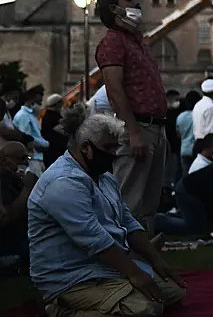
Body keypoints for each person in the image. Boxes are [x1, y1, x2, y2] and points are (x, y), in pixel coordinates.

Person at [28, 104, 185, 316]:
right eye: (109, 148)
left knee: (173, 293)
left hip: (105, 268)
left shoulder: (104, 177)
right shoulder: (63, 182)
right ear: (86, 147)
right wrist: (134, 272)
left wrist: (155, 260)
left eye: (116, 148)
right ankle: (60, 310)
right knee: (147, 309)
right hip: (72, 277)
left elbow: (127, 221)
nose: (115, 154)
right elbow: (93, 238)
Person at [94, 0, 169, 236]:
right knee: (129, 202)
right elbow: (115, 90)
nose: (136, 4)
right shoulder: (113, 42)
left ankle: (146, 259)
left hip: (155, 128)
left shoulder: (137, 42)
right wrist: (133, 130)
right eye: (129, 0)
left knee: (149, 204)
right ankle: (124, 260)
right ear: (114, 9)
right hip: (139, 128)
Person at [0, 141, 36, 263]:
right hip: (8, 246)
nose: (25, 163)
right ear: (4, 160)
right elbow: (5, 218)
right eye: (22, 159)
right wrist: (26, 189)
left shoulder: (11, 180)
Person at [14, 89, 47, 176]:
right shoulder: (23, 115)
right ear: (30, 100)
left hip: (37, 158)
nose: (39, 105)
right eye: (38, 102)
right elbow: (25, 138)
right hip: (32, 159)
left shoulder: (31, 116)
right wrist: (44, 144)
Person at [176, 91, 201, 175]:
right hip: (197, 150)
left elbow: (178, 134)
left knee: (186, 176)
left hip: (184, 150)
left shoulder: (180, 117)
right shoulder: (199, 115)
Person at [41, 94, 67, 168]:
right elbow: (64, 131)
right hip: (54, 153)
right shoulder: (52, 117)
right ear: (57, 104)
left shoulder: (50, 116)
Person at [163, 90, 182, 188]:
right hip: (166, 147)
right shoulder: (162, 113)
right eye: (176, 99)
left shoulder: (177, 113)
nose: (178, 102)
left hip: (175, 147)